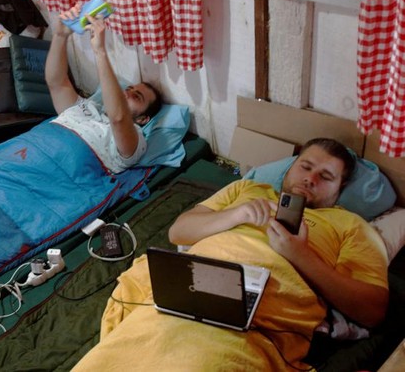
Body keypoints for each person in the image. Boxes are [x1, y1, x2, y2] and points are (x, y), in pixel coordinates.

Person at [74, 138, 389, 370]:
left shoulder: (350, 225)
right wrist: (235, 216)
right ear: (291, 167)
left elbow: (372, 310)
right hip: (183, 296)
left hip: (255, 327)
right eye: (306, 166)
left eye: (326, 177)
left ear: (339, 191)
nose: (311, 178)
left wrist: (300, 255)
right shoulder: (246, 190)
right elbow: (178, 232)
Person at [45, 4, 163, 173]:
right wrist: (60, 35)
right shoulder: (85, 108)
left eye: (136, 97)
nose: (126, 93)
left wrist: (100, 51)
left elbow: (118, 117)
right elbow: (56, 84)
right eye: (128, 89)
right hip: (35, 145)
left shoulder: (135, 140)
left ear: (143, 119)